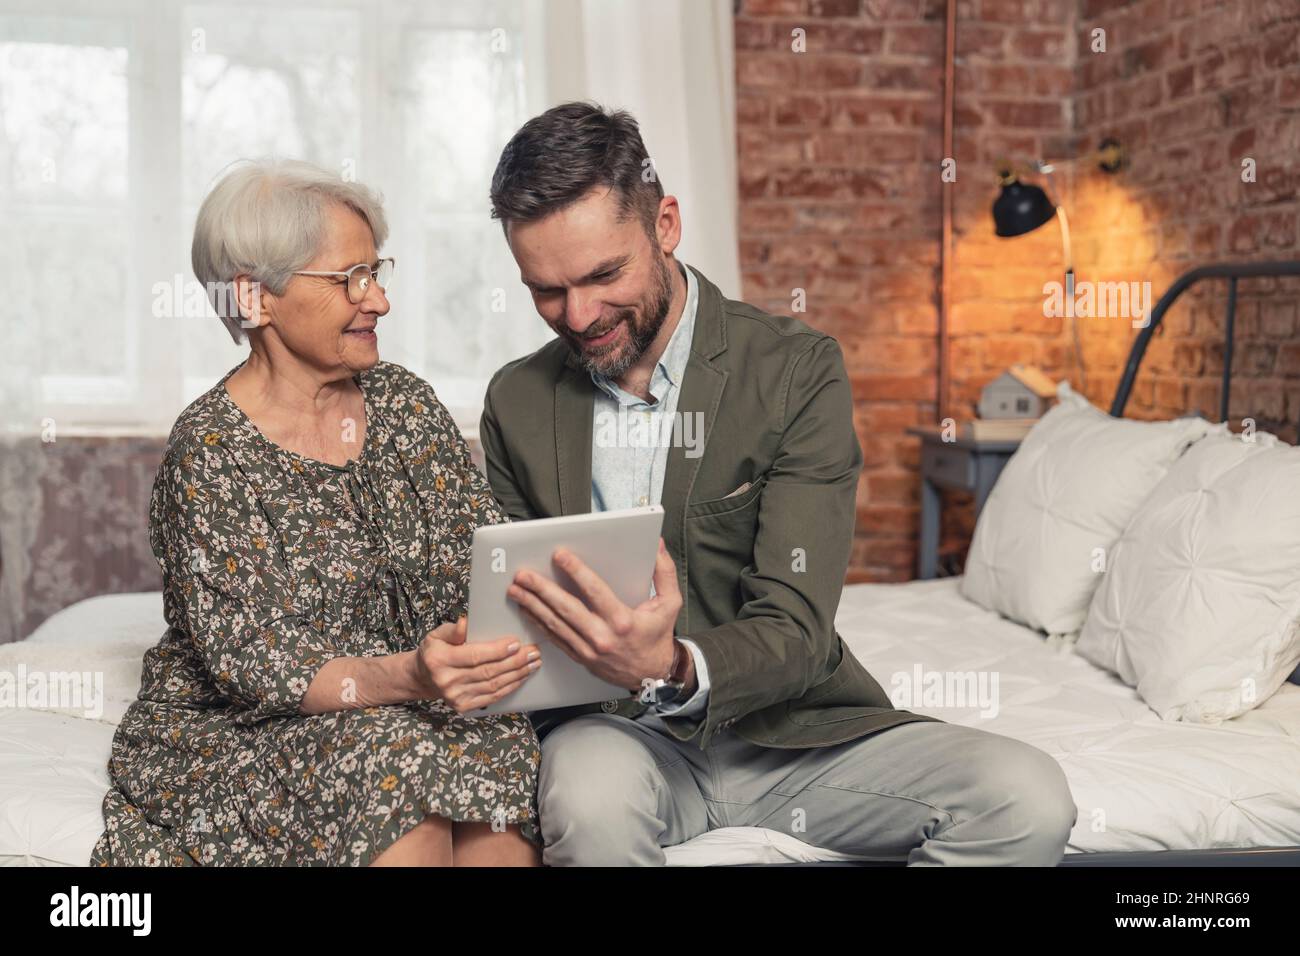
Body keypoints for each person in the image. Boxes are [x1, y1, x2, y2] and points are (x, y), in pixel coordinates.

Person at [480, 102, 1078, 866]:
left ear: (665, 224)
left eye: (604, 275)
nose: (580, 314)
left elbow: (797, 627)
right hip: (616, 741)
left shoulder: (796, 370)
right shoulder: (517, 400)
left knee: (1026, 796)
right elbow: (516, 622)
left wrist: (671, 666)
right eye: (547, 290)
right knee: (588, 801)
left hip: (792, 735)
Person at [90, 159, 542, 867]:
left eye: (377, 272)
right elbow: (260, 668)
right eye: (348, 280)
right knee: (391, 764)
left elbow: (479, 559)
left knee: (499, 747)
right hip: (256, 728)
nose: (379, 301)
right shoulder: (209, 451)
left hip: (413, 700)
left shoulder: (406, 405)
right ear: (255, 298)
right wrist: (412, 678)